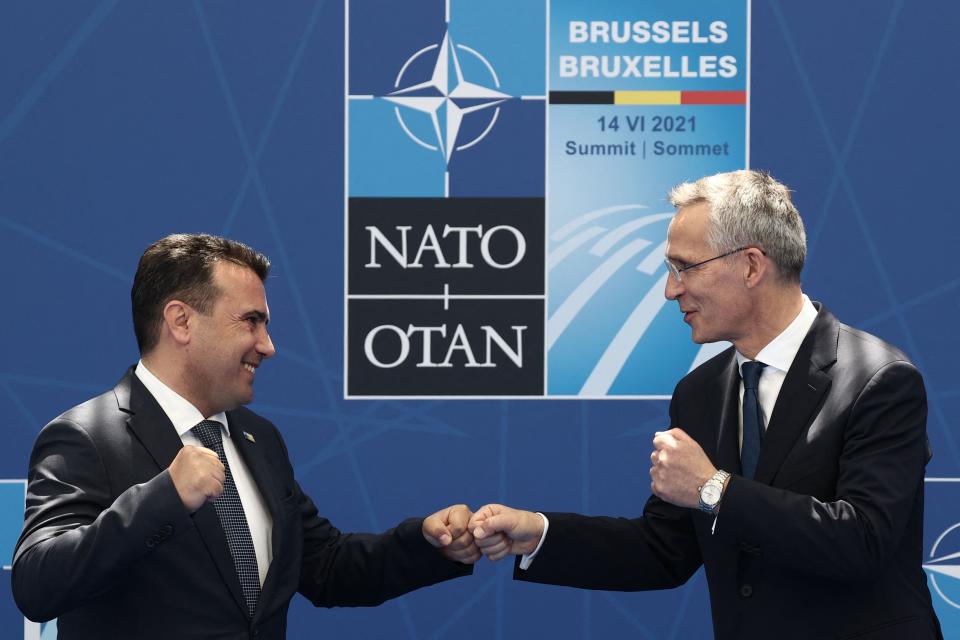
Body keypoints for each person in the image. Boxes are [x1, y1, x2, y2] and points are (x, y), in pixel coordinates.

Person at [469, 170, 943, 639]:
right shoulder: (699, 393)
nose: (670, 290)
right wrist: (540, 533)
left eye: (685, 267)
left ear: (752, 266)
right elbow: (664, 550)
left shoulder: (878, 379)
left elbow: (862, 542)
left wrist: (714, 489)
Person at [13, 234, 482, 639]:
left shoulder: (260, 439)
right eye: (251, 321)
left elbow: (326, 567)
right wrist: (162, 498)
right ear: (181, 321)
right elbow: (39, 584)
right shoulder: (85, 436)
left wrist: (427, 543)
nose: (268, 346)